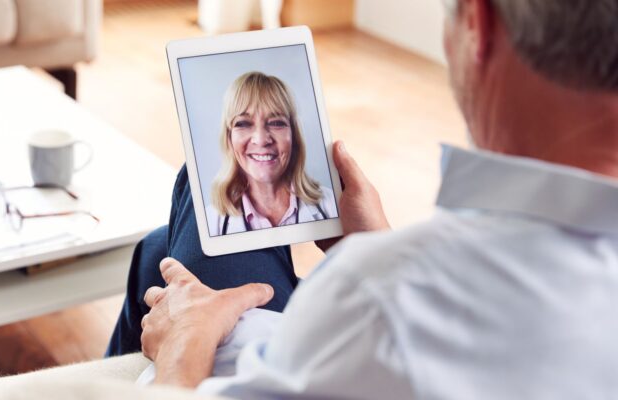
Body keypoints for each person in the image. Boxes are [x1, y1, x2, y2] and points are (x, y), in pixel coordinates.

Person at [113, 0, 618, 397]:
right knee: (162, 248)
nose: (260, 137)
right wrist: (378, 248)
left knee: (176, 235)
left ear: (476, 24)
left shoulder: (384, 296)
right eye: (243, 123)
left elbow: (407, 317)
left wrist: (184, 353)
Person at [207, 71, 337, 236]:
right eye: (244, 123)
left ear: (294, 136)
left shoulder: (332, 205)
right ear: (229, 138)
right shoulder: (211, 223)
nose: (261, 140)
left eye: (276, 123)